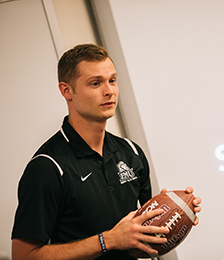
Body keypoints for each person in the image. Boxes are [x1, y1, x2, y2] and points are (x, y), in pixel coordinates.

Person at [11, 44, 201, 260]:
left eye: (112, 80)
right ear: (66, 91)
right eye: (95, 83)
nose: (109, 90)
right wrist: (108, 240)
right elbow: (23, 256)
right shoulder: (47, 167)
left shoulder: (131, 152)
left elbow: (144, 234)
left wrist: (175, 213)